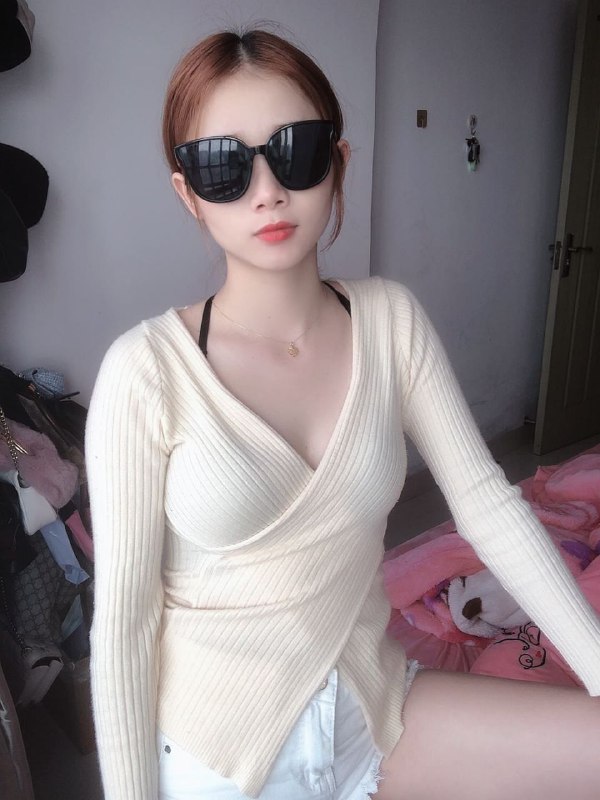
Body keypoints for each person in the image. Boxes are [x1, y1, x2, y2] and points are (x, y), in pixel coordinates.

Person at [85, 27, 600, 800]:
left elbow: (488, 506)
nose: (267, 190)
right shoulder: (145, 371)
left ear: (338, 162)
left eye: (295, 151)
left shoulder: (392, 321)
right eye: (224, 166)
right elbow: (125, 627)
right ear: (187, 193)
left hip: (374, 712)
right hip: (220, 761)